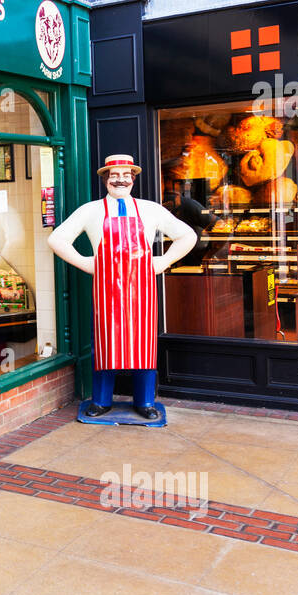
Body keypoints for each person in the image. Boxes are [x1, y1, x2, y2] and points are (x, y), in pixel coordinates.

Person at [47, 154, 197, 421]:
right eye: (114, 175)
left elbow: (187, 235)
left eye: (126, 175)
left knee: (144, 345)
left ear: (133, 179)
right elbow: (57, 238)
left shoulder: (151, 209)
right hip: (107, 291)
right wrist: (84, 262)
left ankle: (146, 401)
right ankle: (102, 401)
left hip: (143, 290)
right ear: (106, 179)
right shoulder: (90, 210)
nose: (120, 180)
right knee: (106, 343)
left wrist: (163, 261)